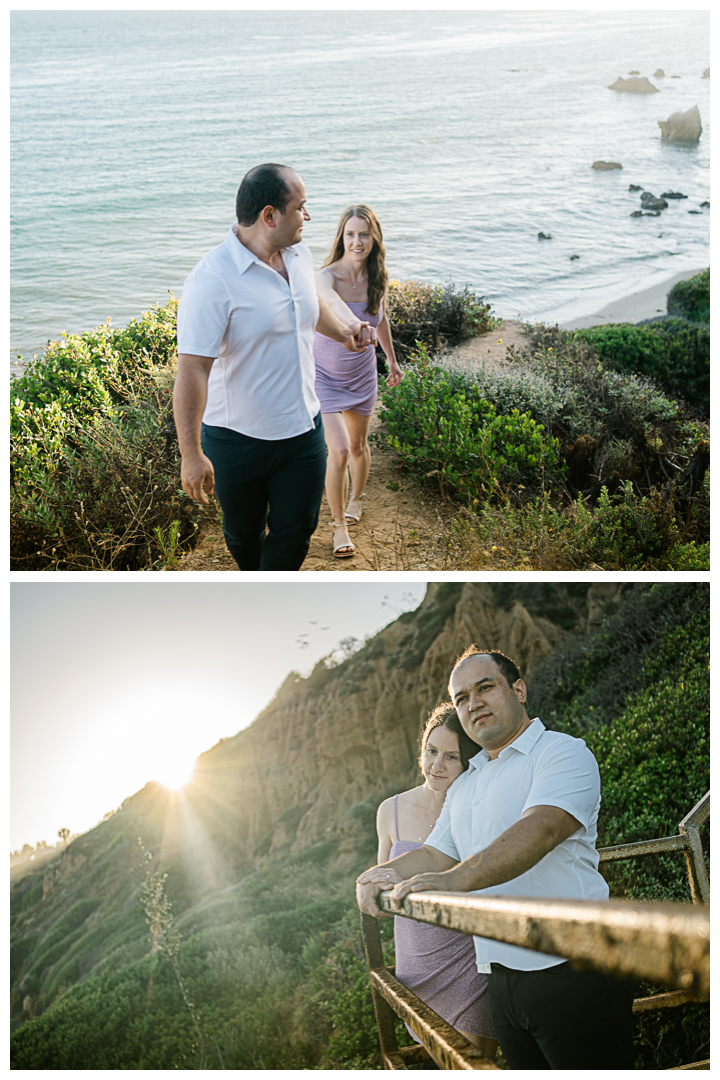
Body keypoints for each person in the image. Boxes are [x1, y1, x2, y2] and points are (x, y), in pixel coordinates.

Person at [357, 647, 635, 1070]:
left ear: (518, 690)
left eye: (485, 687)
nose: (473, 703)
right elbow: (435, 850)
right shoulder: (467, 783)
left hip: (572, 967)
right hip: (499, 977)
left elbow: (540, 829)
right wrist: (381, 874)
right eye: (461, 698)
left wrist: (453, 881)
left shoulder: (561, 753)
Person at [173, 163, 376, 571]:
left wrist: (343, 332)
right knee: (244, 534)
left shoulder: (298, 255)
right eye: (301, 207)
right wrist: (191, 453)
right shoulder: (211, 279)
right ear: (270, 216)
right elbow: (193, 368)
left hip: (303, 429)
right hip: (236, 441)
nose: (308, 216)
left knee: (297, 529)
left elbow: (308, 307)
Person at [372, 703, 498, 1065]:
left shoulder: (479, 809)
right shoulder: (390, 810)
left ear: (469, 762)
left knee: (471, 1063)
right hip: (415, 965)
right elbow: (385, 882)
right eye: (431, 751)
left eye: (451, 757)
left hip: (469, 962)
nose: (437, 765)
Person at [313, 205, 402, 558]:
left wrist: (392, 362)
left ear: (373, 238)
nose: (357, 241)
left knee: (358, 446)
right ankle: (338, 527)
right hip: (324, 376)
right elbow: (331, 302)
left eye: (363, 234)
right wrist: (353, 325)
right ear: (341, 237)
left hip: (363, 374)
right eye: (350, 234)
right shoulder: (325, 276)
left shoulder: (379, 276)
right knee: (338, 451)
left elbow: (381, 320)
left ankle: (357, 498)